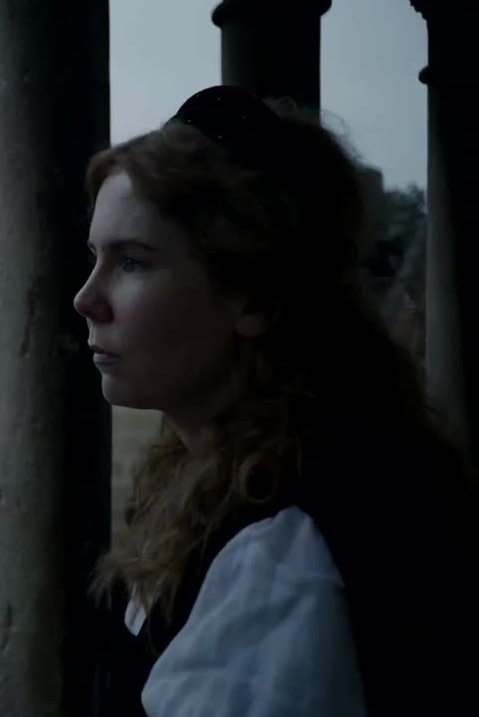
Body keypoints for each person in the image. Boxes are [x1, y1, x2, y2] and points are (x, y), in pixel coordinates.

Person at [76, 85, 479, 716]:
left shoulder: (283, 550)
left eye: (132, 263)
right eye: (95, 257)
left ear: (255, 295)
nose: (86, 299)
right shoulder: (223, 480)